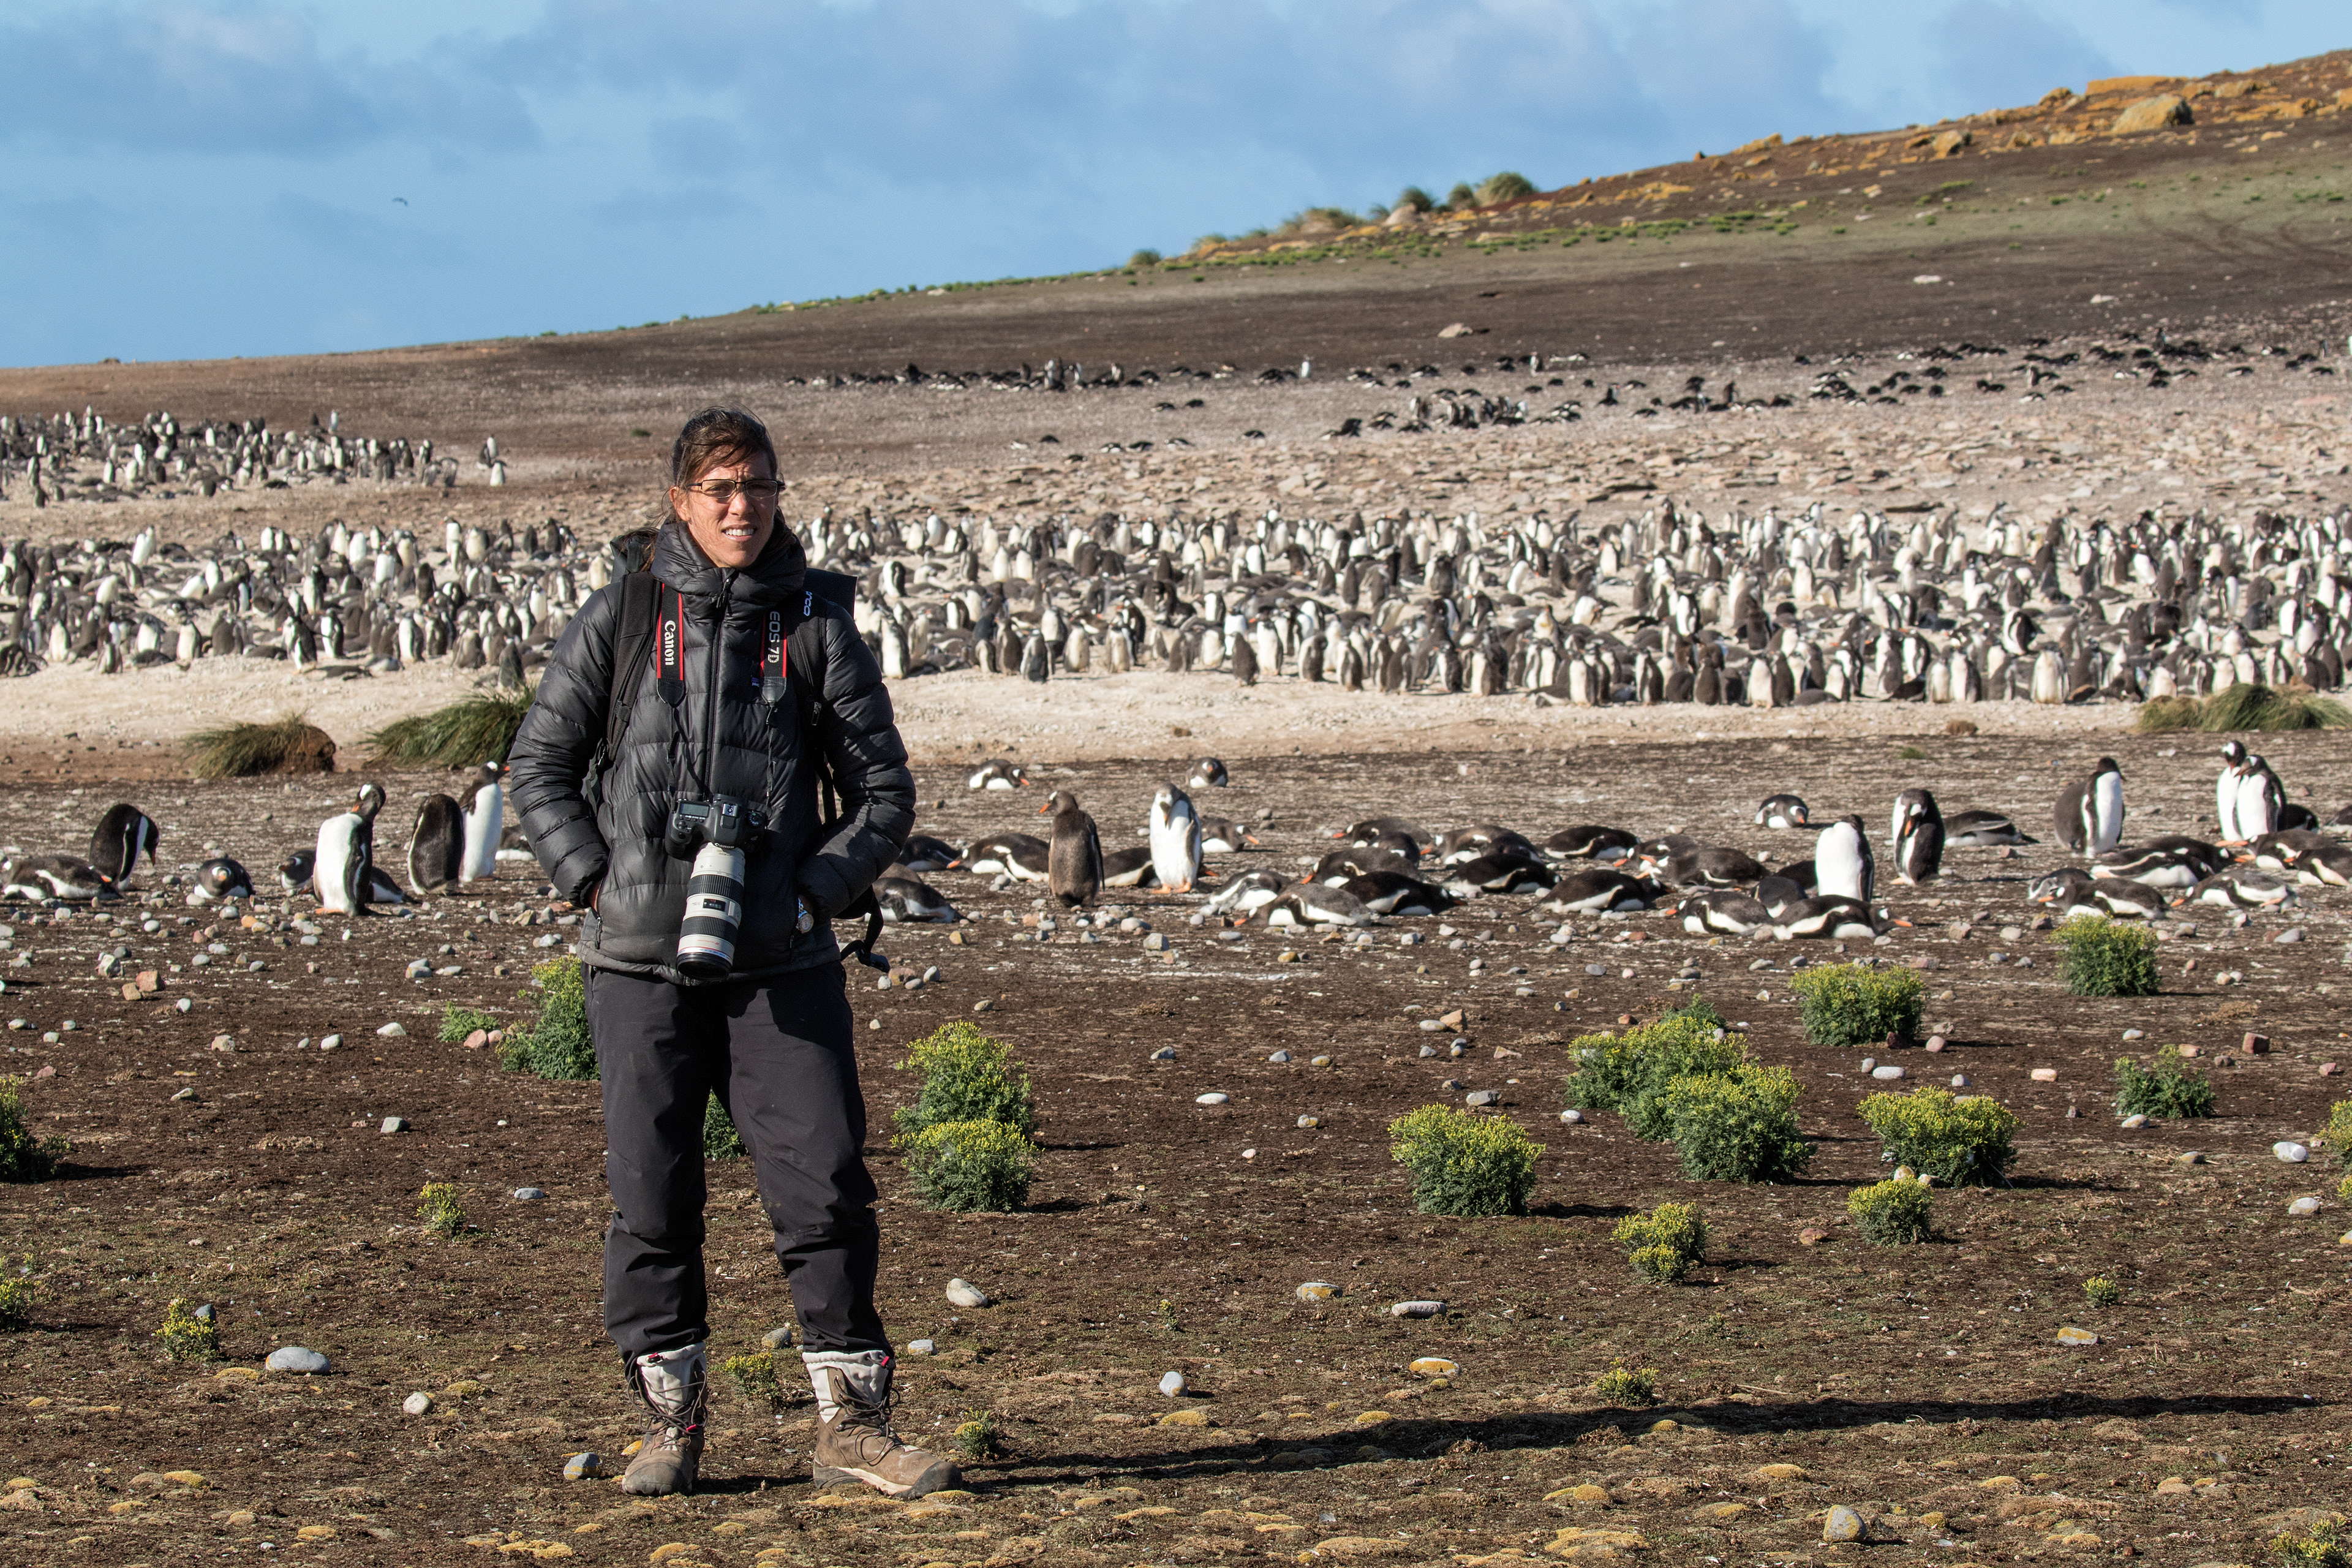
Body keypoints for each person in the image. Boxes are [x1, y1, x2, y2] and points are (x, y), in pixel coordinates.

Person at [505, 407, 954, 1498]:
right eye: (719, 490)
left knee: (826, 1188)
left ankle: (851, 1427)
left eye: (756, 486)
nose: (740, 507)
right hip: (634, 963)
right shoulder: (620, 616)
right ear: (680, 501)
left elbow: (886, 793)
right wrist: (599, 881)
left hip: (782, 964)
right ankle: (672, 1428)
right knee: (651, 1197)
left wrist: (811, 892)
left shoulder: (815, 624)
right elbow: (537, 767)